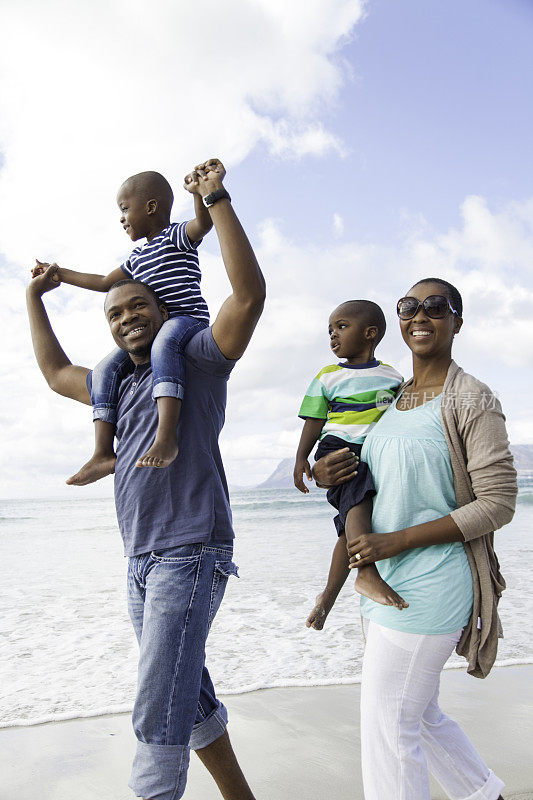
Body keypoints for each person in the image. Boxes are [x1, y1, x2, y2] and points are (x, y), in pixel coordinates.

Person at [26, 159, 265, 800]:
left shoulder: (196, 361)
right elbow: (54, 373)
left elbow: (247, 298)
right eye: (114, 313)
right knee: (184, 686)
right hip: (138, 560)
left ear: (164, 307)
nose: (126, 317)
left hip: (190, 552)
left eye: (137, 306)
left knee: (158, 698)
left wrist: (214, 199)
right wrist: (33, 297)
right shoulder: (118, 382)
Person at [313, 278, 516, 800]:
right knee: (418, 711)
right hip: (384, 578)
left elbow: (497, 504)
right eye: (409, 307)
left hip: (432, 583)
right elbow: (362, 469)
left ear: (457, 321)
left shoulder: (472, 399)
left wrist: (395, 542)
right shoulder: (391, 394)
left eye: (435, 307)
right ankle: (484, 793)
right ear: (397, 321)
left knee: (387, 720)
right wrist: (325, 468)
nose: (420, 316)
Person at [32, 166, 216, 486]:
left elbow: (204, 224)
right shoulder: (136, 258)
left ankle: (166, 434)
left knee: (163, 345)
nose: (121, 218)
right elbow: (104, 282)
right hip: (158, 331)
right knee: (105, 369)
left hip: (186, 321)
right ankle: (103, 451)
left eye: (124, 208)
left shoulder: (175, 235)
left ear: (151, 206)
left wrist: (201, 194)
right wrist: (58, 273)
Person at [293, 300, 406, 630]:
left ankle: (327, 599)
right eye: (330, 330)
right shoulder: (329, 376)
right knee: (357, 506)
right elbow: (314, 419)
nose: (332, 335)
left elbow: (395, 416)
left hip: (372, 454)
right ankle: (366, 574)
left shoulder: (392, 377)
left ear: (369, 334)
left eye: (341, 327)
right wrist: (302, 457)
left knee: (350, 529)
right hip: (339, 449)